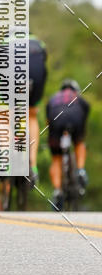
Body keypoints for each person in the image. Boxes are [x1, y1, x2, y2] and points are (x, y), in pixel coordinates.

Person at [46, 80, 90, 210]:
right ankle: (81, 170)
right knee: (79, 143)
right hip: (76, 118)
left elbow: (48, 122)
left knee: (56, 158)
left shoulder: (53, 98)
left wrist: (54, 140)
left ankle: (57, 191)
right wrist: (79, 136)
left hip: (56, 119)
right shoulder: (79, 98)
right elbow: (84, 116)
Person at [28, 35, 48, 187]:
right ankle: (32, 164)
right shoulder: (37, 41)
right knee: (32, 115)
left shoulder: (5, 42)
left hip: (12, 73)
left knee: (6, 114)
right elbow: (44, 61)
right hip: (37, 74)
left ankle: (5, 160)